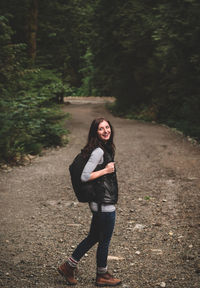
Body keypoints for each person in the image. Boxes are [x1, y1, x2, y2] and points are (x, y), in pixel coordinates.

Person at [58, 117, 121, 286]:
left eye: (107, 127)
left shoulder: (103, 148)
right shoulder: (99, 151)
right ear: (95, 132)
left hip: (100, 202)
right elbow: (85, 176)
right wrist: (106, 170)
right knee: (104, 239)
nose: (106, 131)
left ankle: (68, 266)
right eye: (101, 129)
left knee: (94, 236)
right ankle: (102, 275)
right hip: (103, 204)